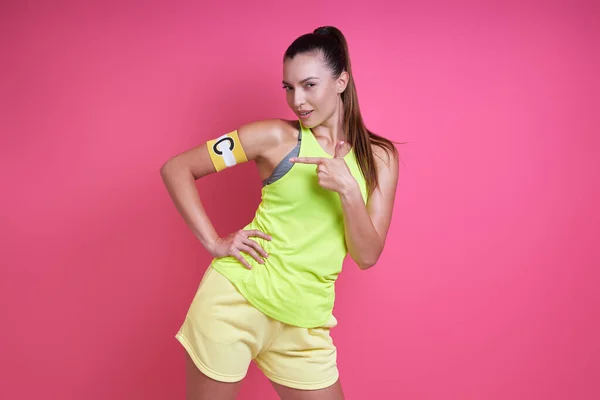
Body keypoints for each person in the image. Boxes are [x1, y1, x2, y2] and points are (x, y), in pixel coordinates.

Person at [160, 25, 399, 400]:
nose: (297, 101)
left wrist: (349, 190)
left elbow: (367, 255)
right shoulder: (272, 138)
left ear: (341, 82)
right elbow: (177, 168)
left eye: (309, 85)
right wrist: (214, 241)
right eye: (288, 88)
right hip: (236, 302)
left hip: (305, 322)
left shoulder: (379, 158)